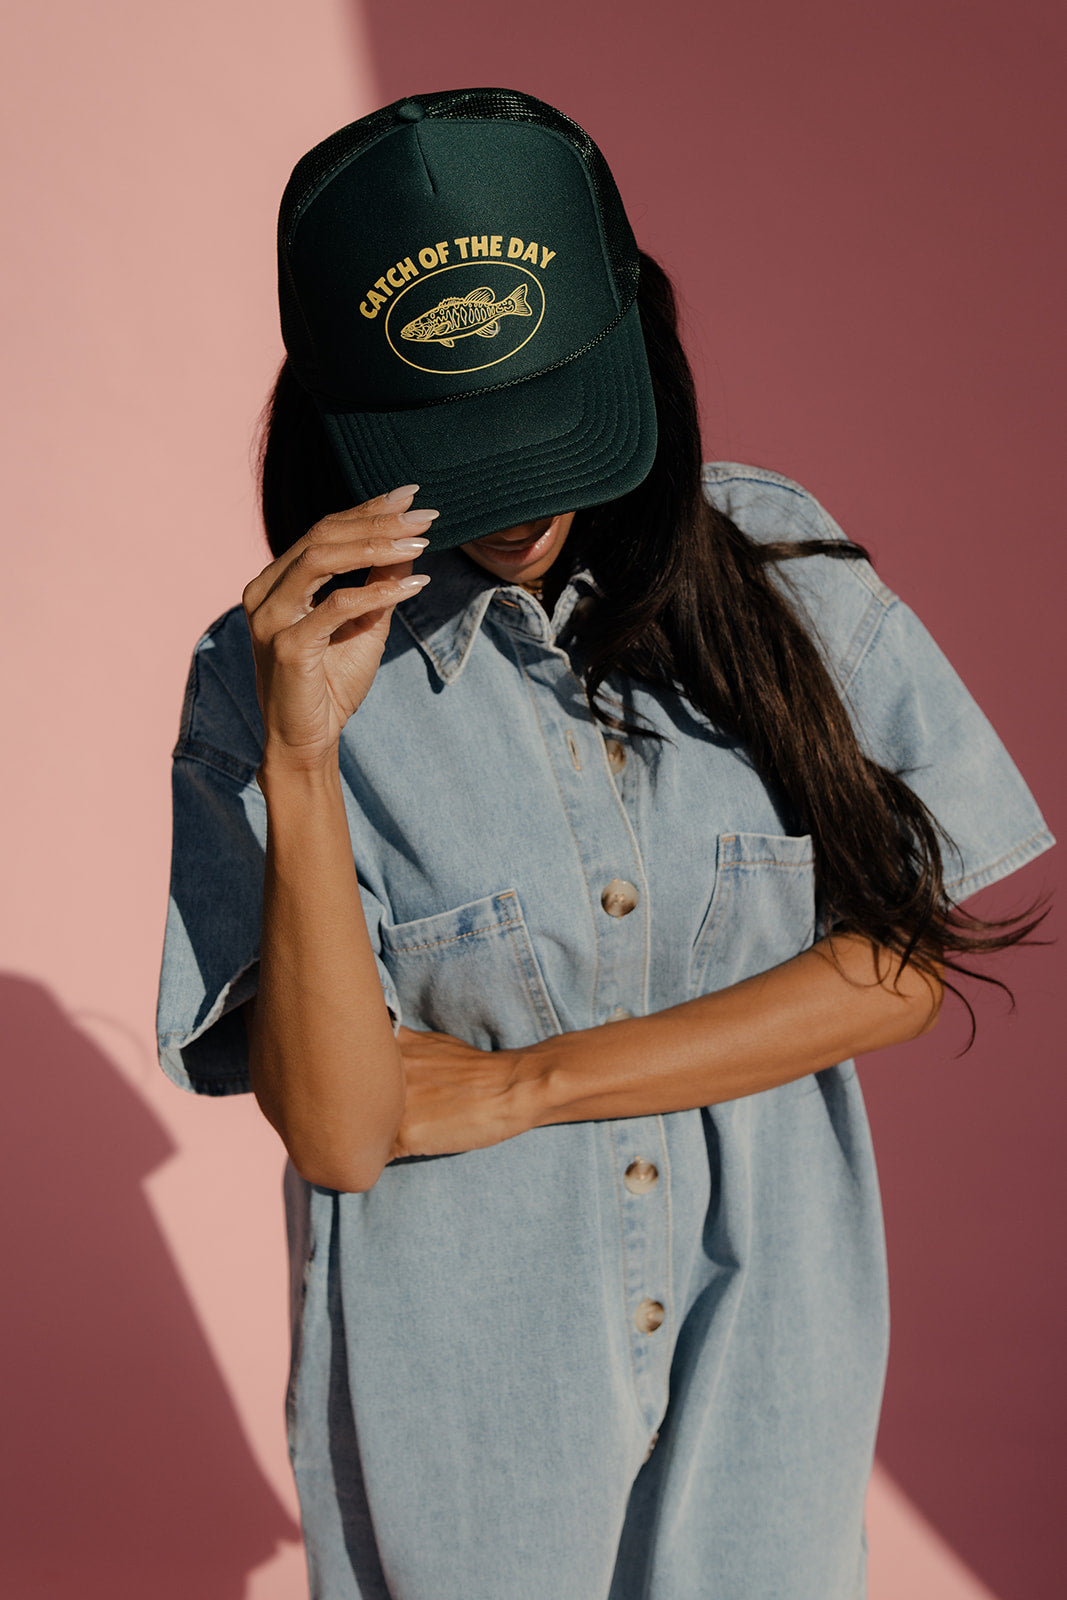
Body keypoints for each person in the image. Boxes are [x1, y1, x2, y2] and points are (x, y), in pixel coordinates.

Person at [156, 88, 1055, 1600]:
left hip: (766, 1358)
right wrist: (302, 762)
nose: (512, 507)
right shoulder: (264, 677)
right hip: (470, 1408)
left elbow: (895, 968)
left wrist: (522, 1085)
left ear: (633, 350)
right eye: (452, 444)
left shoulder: (778, 576)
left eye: (546, 426)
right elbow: (340, 1129)